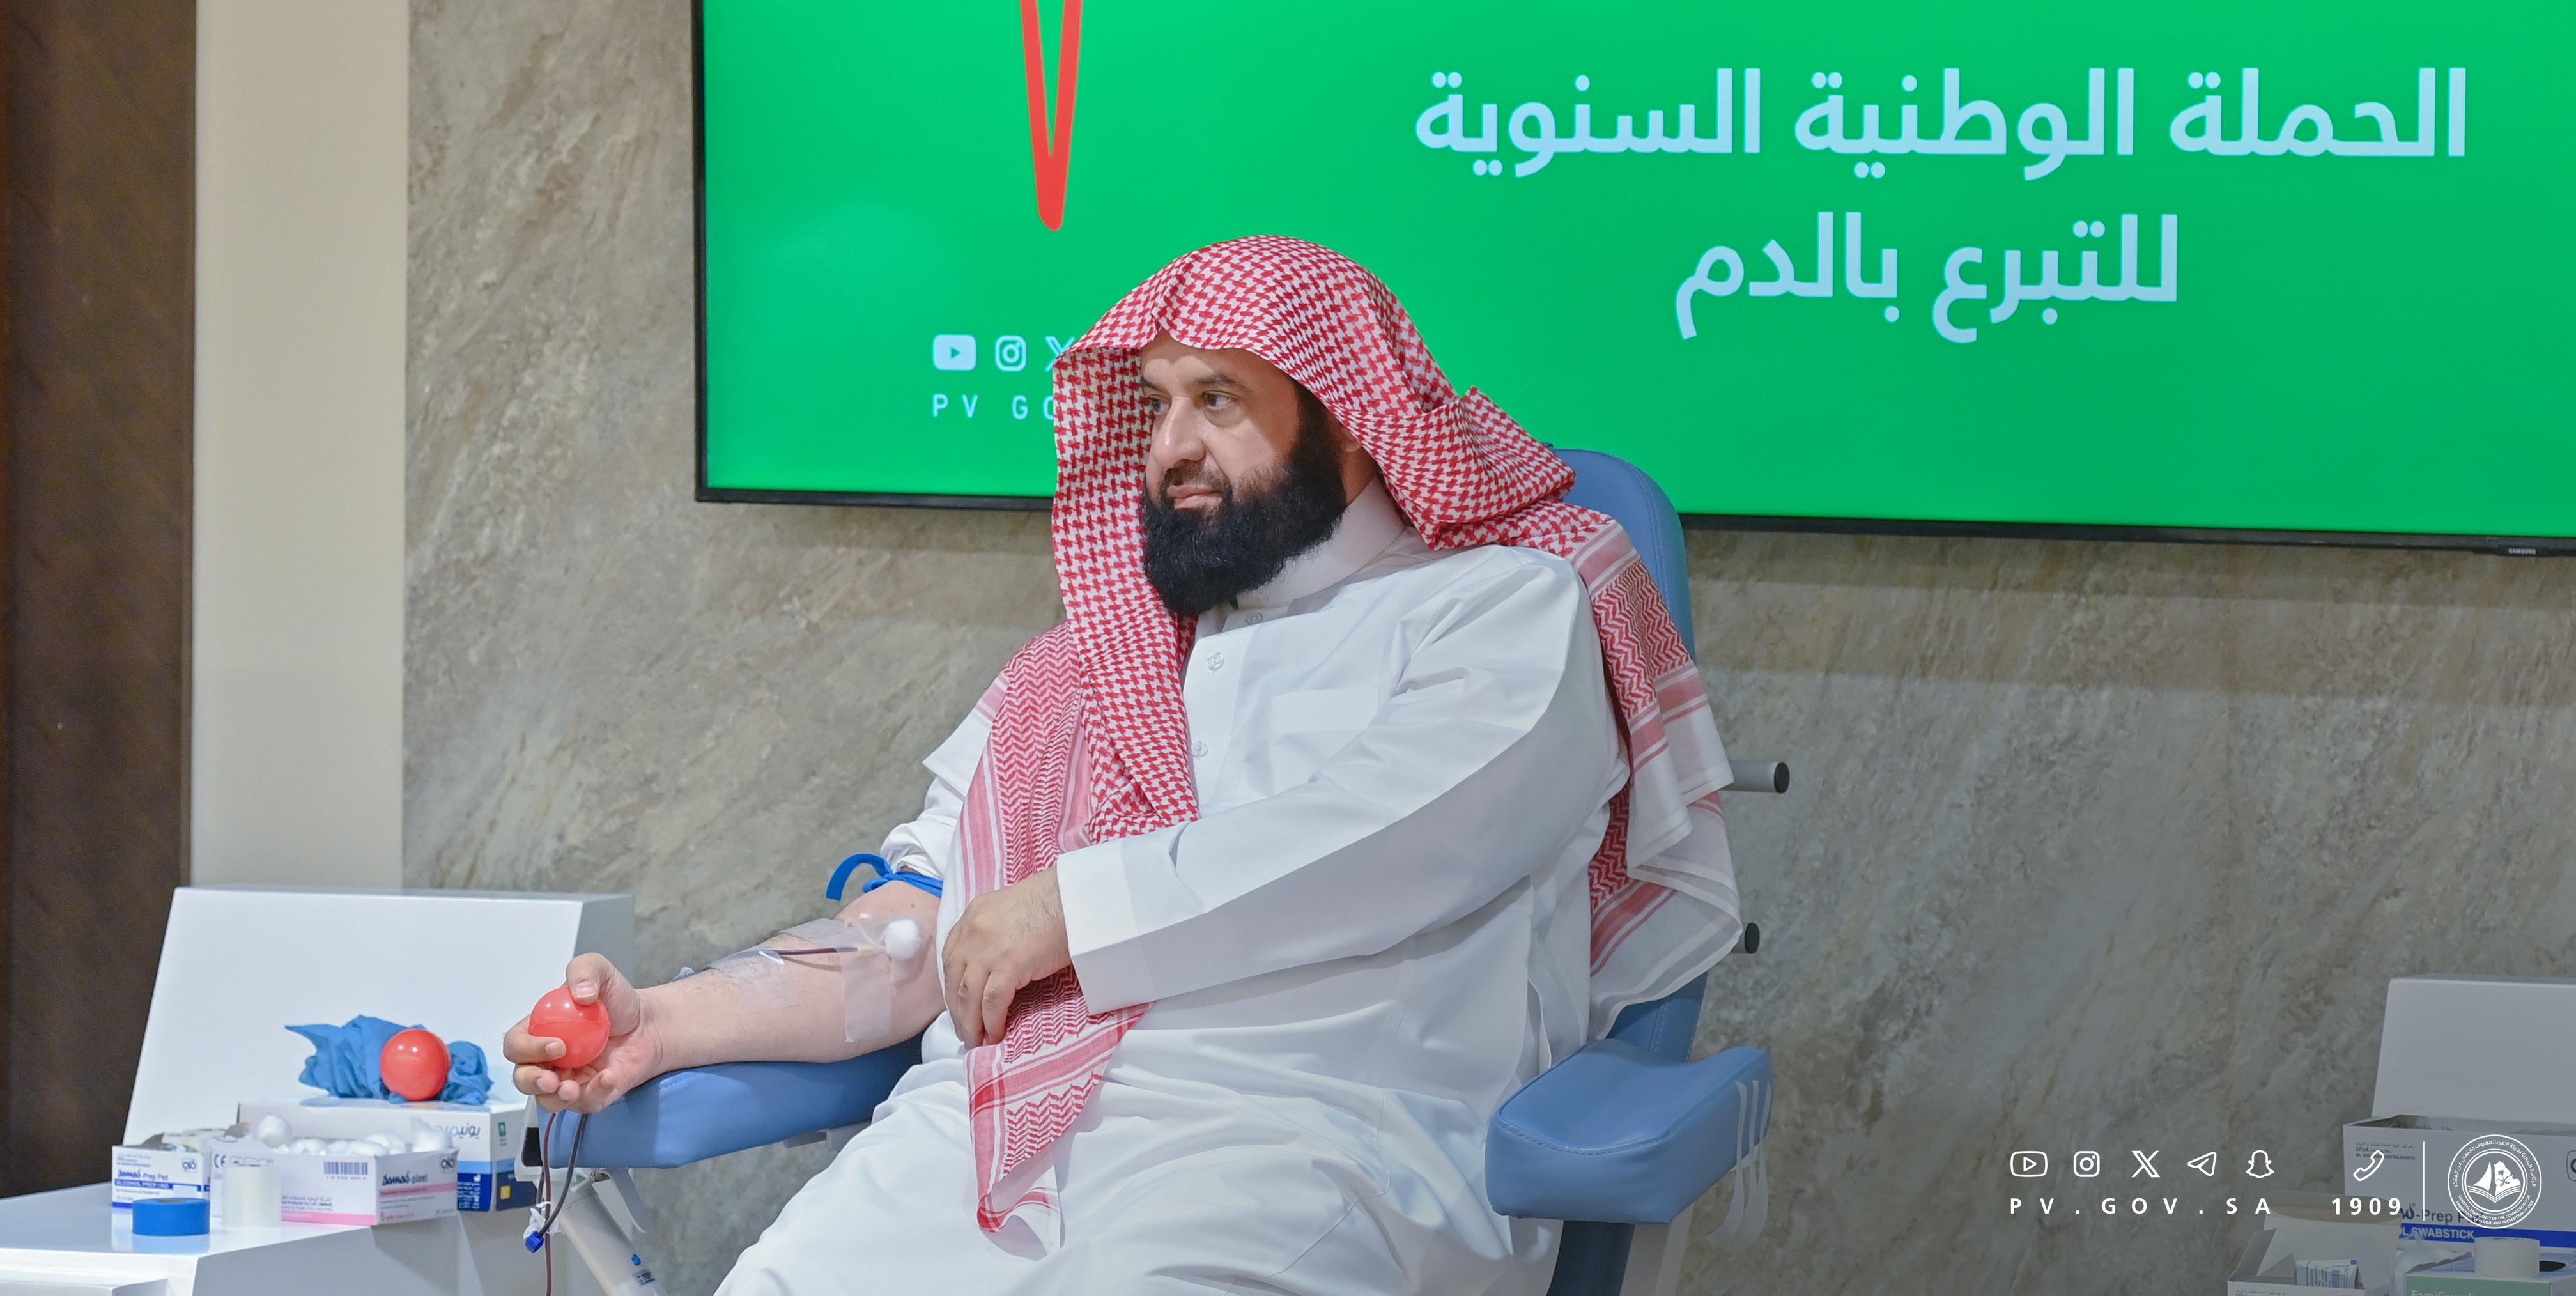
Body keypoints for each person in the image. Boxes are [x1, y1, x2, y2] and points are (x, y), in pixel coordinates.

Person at [506, 236, 1742, 1293]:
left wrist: (1069, 908)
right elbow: (919, 932)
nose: (1170, 445)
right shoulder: (1085, 667)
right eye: (1156, 404)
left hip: (1308, 1144)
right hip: (988, 1144)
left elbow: (1391, 838)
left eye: (1220, 400)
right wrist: (664, 1020)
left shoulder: (1505, 608)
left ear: (1355, 427)